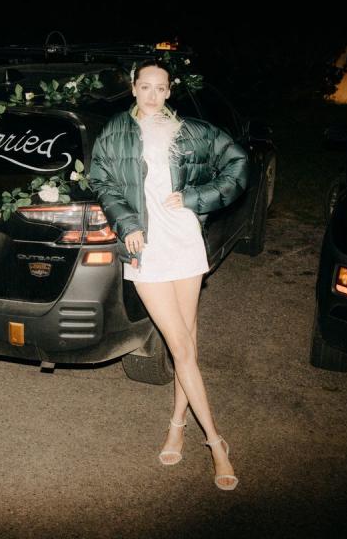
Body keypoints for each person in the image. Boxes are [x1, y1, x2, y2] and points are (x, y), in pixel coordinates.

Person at [88, 59, 248, 490]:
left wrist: (199, 196)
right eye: (145, 87)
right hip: (148, 249)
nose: (153, 95)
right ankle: (216, 443)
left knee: (187, 343)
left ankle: (177, 424)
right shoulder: (116, 132)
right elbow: (101, 181)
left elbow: (237, 163)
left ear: (169, 91)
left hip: (184, 241)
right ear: (133, 89)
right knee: (180, 345)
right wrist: (128, 224)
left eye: (160, 88)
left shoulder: (193, 131)